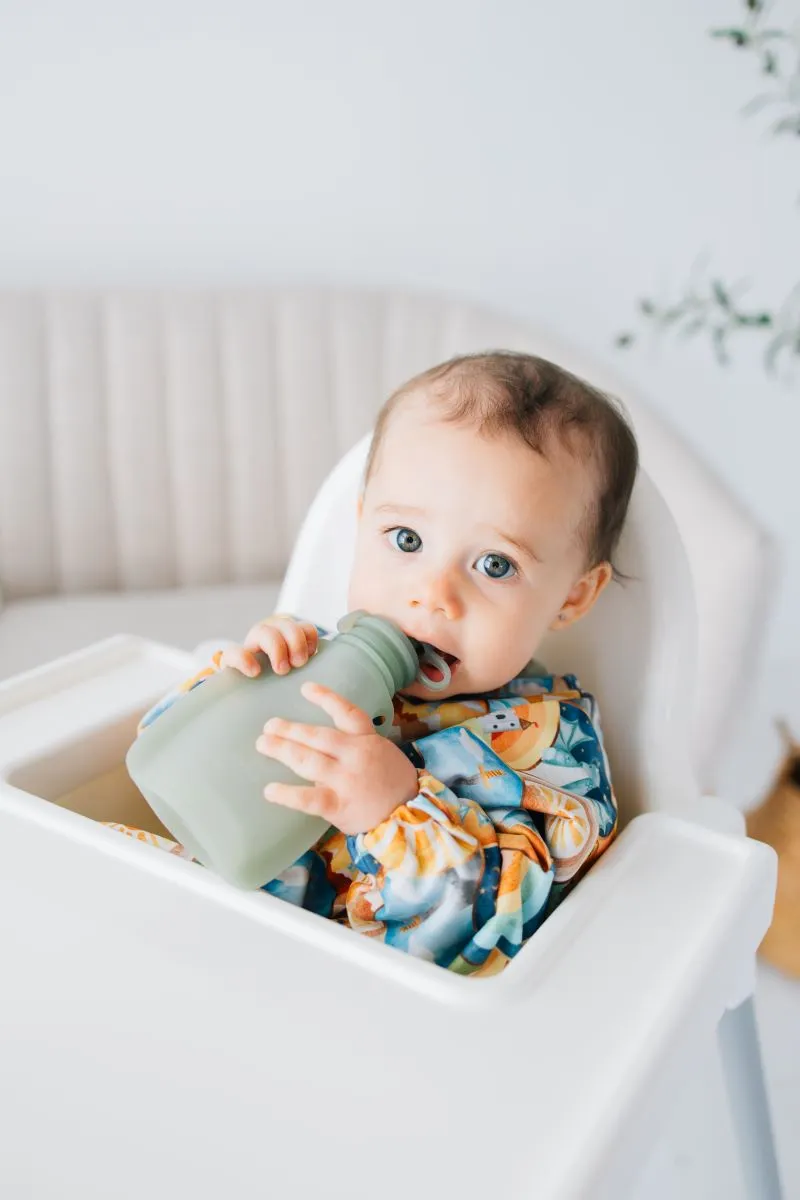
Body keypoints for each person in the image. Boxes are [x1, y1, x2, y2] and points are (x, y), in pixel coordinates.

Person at [117, 351, 639, 977]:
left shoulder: (557, 751)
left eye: (496, 564)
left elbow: (491, 942)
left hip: (360, 1002)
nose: (434, 594)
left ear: (573, 595)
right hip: (209, 936)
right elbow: (164, 764)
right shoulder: (307, 658)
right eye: (407, 540)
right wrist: (229, 687)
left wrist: (395, 812)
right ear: (362, 525)